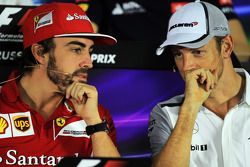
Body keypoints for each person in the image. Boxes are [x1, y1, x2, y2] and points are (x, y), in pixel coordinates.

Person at [0, 2, 120, 166]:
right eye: (77, 50)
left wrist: (94, 125)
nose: (89, 63)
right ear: (40, 53)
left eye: (90, 52)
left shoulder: (97, 115)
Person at [148, 1, 250, 167]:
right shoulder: (165, 113)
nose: (187, 66)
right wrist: (190, 107)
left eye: (197, 52)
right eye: (178, 54)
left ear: (226, 47)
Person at [85, 0, 250, 69]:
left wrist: (200, 61)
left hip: (187, 74)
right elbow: (82, 40)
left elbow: (241, 49)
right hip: (124, 77)